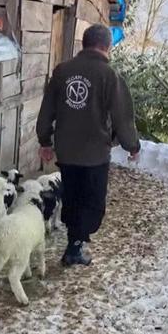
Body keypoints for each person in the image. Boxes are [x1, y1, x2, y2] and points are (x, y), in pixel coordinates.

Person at [36, 24, 141, 267]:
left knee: (72, 196)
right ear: (107, 46)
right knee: (93, 203)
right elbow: (122, 117)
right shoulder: (109, 76)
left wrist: (45, 141)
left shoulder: (62, 72)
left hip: (67, 150)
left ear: (84, 44)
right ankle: (76, 246)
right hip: (95, 154)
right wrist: (132, 145)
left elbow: (46, 111)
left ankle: (75, 241)